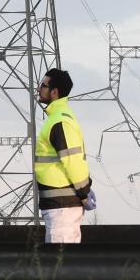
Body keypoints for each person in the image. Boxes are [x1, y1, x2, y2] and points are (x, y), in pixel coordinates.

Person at [35, 68, 94, 244]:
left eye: (43, 85)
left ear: (54, 92)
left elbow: (73, 161)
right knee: (62, 265)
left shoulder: (59, 121)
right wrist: (85, 191)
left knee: (59, 266)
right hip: (61, 206)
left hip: (62, 207)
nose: (38, 89)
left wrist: (84, 192)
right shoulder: (59, 118)